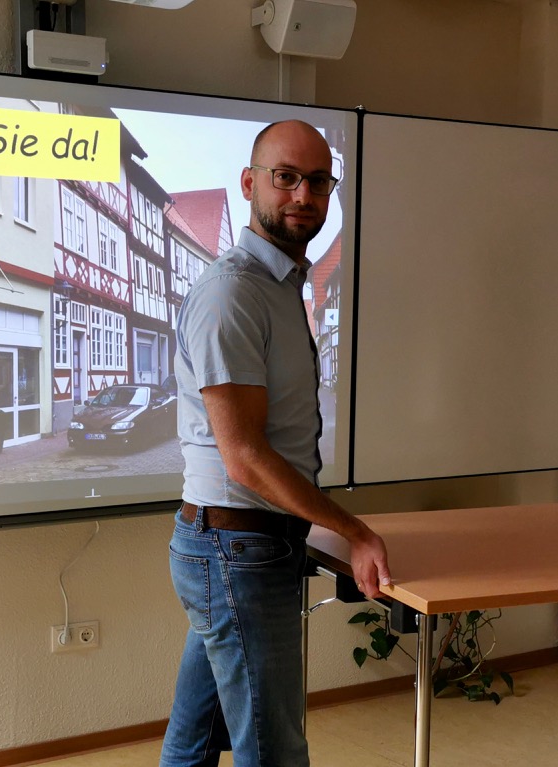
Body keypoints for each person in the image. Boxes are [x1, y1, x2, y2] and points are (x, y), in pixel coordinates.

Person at [160, 120, 392, 767]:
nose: (302, 194)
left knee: (195, 741)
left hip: (241, 544)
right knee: (275, 751)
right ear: (250, 183)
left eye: (317, 181)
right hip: (237, 548)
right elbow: (246, 455)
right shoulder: (233, 292)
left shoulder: (279, 286)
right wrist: (355, 530)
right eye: (285, 176)